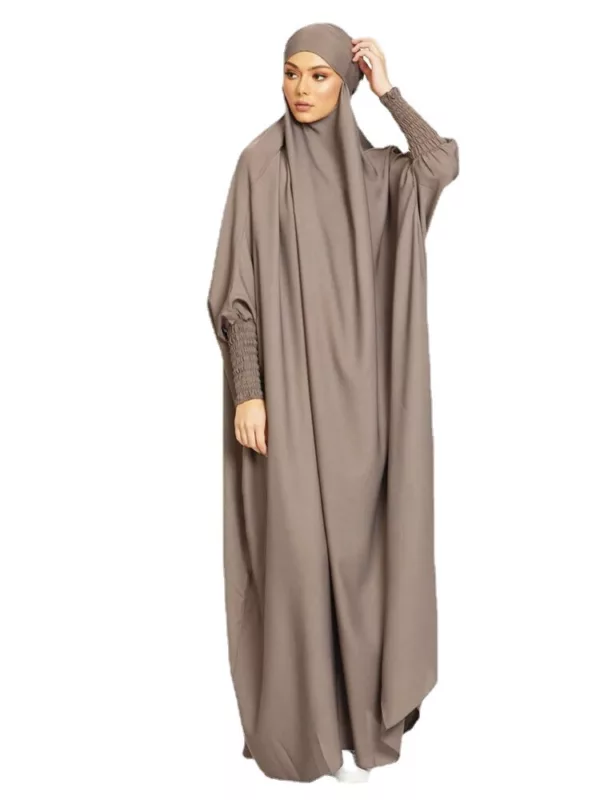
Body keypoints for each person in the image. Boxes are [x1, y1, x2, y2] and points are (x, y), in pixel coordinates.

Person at [207, 22, 459, 784]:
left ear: (344, 86)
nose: (302, 88)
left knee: (363, 567)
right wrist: (248, 391)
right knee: (295, 562)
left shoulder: (379, 176)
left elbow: (440, 162)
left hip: (366, 417)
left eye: (320, 75)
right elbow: (237, 296)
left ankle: (364, 723)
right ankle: (305, 728)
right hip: (284, 404)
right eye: (292, 72)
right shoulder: (260, 165)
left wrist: (389, 91)